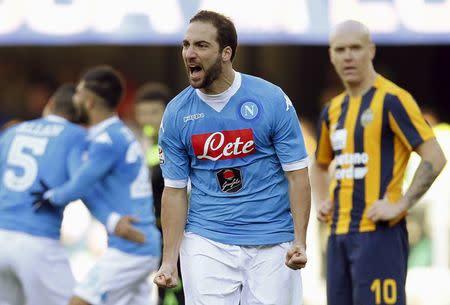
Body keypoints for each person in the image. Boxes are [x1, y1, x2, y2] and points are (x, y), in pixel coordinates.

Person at [153, 10, 311, 305]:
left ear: (226, 53)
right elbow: (174, 192)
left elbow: (297, 175)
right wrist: (168, 260)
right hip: (206, 239)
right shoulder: (177, 113)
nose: (189, 53)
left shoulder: (271, 99)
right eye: (186, 45)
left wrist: (300, 240)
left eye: (201, 45)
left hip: (272, 239)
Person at [310, 20, 446, 305]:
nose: (348, 56)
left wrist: (402, 203)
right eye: (340, 49)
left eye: (355, 48)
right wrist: (323, 200)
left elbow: (435, 156)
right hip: (338, 237)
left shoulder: (393, 99)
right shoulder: (332, 110)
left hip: (379, 235)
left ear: (370, 50)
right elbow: (320, 164)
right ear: (331, 55)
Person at [0, 84, 143, 305]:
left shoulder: (12, 132)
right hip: (38, 242)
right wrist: (112, 221)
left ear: (50, 104)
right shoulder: (76, 136)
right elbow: (84, 186)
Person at [32, 66, 162, 305]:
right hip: (139, 242)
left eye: (78, 93)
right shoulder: (116, 133)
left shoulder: (105, 141)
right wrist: (111, 219)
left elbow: (77, 186)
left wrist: (48, 196)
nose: (74, 98)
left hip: (131, 248)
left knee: (80, 301)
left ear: (89, 102)